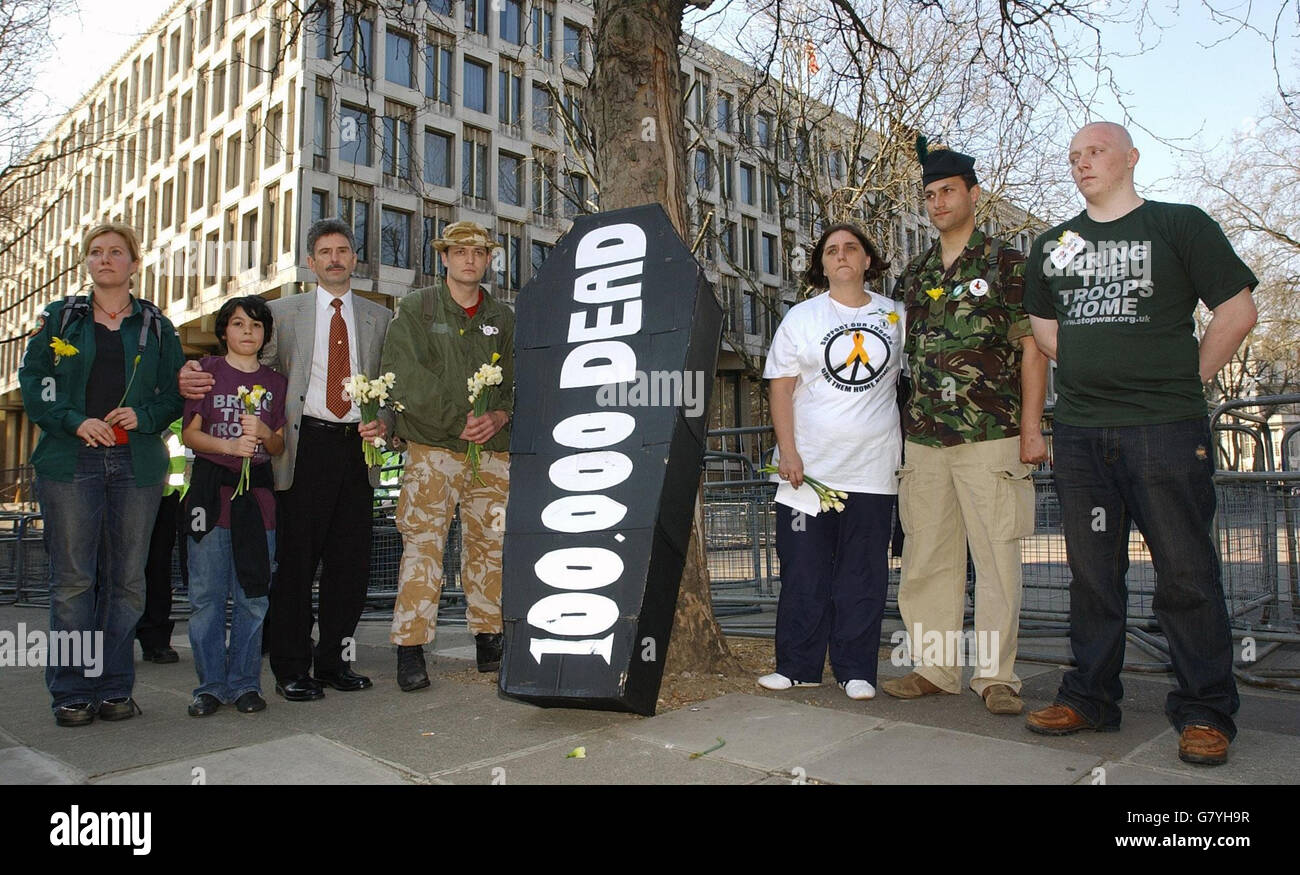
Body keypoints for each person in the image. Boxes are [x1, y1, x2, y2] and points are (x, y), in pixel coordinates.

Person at [1023, 122, 1257, 765]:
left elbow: (1237, 311)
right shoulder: (1055, 243)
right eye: (1072, 156)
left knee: (1186, 573)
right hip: (1080, 434)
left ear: (1130, 158)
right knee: (1092, 575)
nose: (1081, 163)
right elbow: (1045, 330)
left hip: (1166, 430)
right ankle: (1090, 697)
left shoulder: (1179, 225)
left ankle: (1206, 710)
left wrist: (1184, 380)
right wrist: (1100, 365)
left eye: (1095, 152)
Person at [179, 219, 392, 702]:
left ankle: (336, 660)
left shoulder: (379, 319)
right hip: (300, 449)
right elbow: (243, 361)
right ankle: (292, 666)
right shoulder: (281, 313)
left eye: (343, 250)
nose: (335, 259)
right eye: (324, 252)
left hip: (357, 450)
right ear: (311, 261)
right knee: (295, 563)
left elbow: (389, 387)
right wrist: (193, 369)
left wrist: (387, 427)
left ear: (354, 259)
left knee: (350, 564)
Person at [879, 140, 1049, 716]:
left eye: (947, 191)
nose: (937, 202)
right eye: (929, 195)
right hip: (925, 439)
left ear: (974, 195)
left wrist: (1032, 427)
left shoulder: (1009, 265)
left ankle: (997, 676)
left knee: (997, 558)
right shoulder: (916, 273)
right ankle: (936, 667)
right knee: (927, 556)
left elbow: (1033, 351)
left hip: (991, 433)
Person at [19, 222, 185, 727]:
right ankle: (71, 691)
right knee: (73, 581)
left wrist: (147, 417)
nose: (105, 259)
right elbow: (36, 382)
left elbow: (174, 394)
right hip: (71, 463)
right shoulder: (59, 320)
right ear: (87, 263)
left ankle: (115, 687)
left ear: (134, 265)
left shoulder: (158, 327)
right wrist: (74, 420)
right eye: (96, 252)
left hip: (136, 464)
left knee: (128, 582)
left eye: (116, 252)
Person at [757, 223, 902, 701]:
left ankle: (856, 669)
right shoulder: (801, 317)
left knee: (862, 574)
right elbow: (780, 385)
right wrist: (789, 452)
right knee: (803, 570)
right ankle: (797, 666)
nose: (841, 256)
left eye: (851, 248)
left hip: (873, 469)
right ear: (822, 264)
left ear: (866, 260)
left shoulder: (896, 317)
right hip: (808, 472)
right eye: (832, 250)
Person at [381, 221, 514, 690]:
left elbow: (520, 381)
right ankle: (411, 648)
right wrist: (458, 419)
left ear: (488, 259)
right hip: (433, 450)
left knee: (491, 547)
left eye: (478, 252)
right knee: (422, 547)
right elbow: (402, 374)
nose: (469, 260)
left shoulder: (505, 317)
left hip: (493, 454)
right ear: (444, 258)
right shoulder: (417, 308)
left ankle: (490, 640)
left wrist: (498, 417)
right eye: (460, 251)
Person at [180, 297, 287, 716]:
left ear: (265, 334)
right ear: (224, 330)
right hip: (210, 495)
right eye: (239, 324)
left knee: (253, 596)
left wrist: (262, 431)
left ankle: (245, 683)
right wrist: (228, 445)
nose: (248, 332)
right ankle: (209, 685)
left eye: (257, 325)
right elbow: (190, 435)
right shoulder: (206, 373)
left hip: (257, 501)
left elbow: (278, 445)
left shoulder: (275, 383)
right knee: (207, 596)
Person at [136, 418, 187, 664]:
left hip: (166, 497)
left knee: (158, 568)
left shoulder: (173, 403)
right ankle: (114, 639)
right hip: (130, 490)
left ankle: (155, 639)